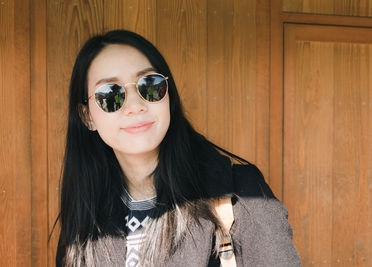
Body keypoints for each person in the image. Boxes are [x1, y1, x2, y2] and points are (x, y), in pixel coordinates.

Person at [55, 30, 301, 267]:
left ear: (168, 95)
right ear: (87, 116)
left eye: (149, 84)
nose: (134, 105)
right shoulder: (85, 212)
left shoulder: (241, 196)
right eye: (111, 93)